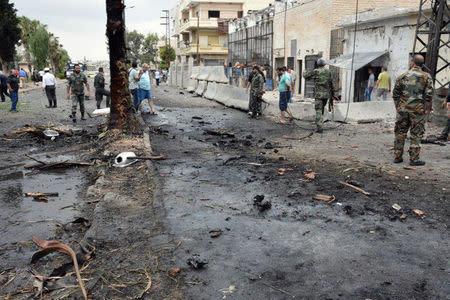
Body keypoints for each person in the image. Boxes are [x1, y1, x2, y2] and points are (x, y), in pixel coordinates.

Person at [392, 55, 433, 166]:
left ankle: (397, 157)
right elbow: (429, 96)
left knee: (400, 132)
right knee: (416, 134)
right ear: (422, 64)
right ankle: (414, 160)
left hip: (402, 110)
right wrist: (427, 111)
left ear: (412, 63)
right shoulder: (426, 77)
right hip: (418, 110)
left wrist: (398, 108)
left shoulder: (403, 76)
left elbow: (395, 95)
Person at [303, 58, 334, 133]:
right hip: (326, 95)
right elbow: (331, 83)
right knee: (322, 109)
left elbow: (306, 77)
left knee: (318, 110)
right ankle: (320, 123)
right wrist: (332, 94)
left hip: (318, 95)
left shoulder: (316, 71)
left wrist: (304, 72)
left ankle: (319, 128)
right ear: (324, 64)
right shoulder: (329, 71)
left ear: (318, 64)